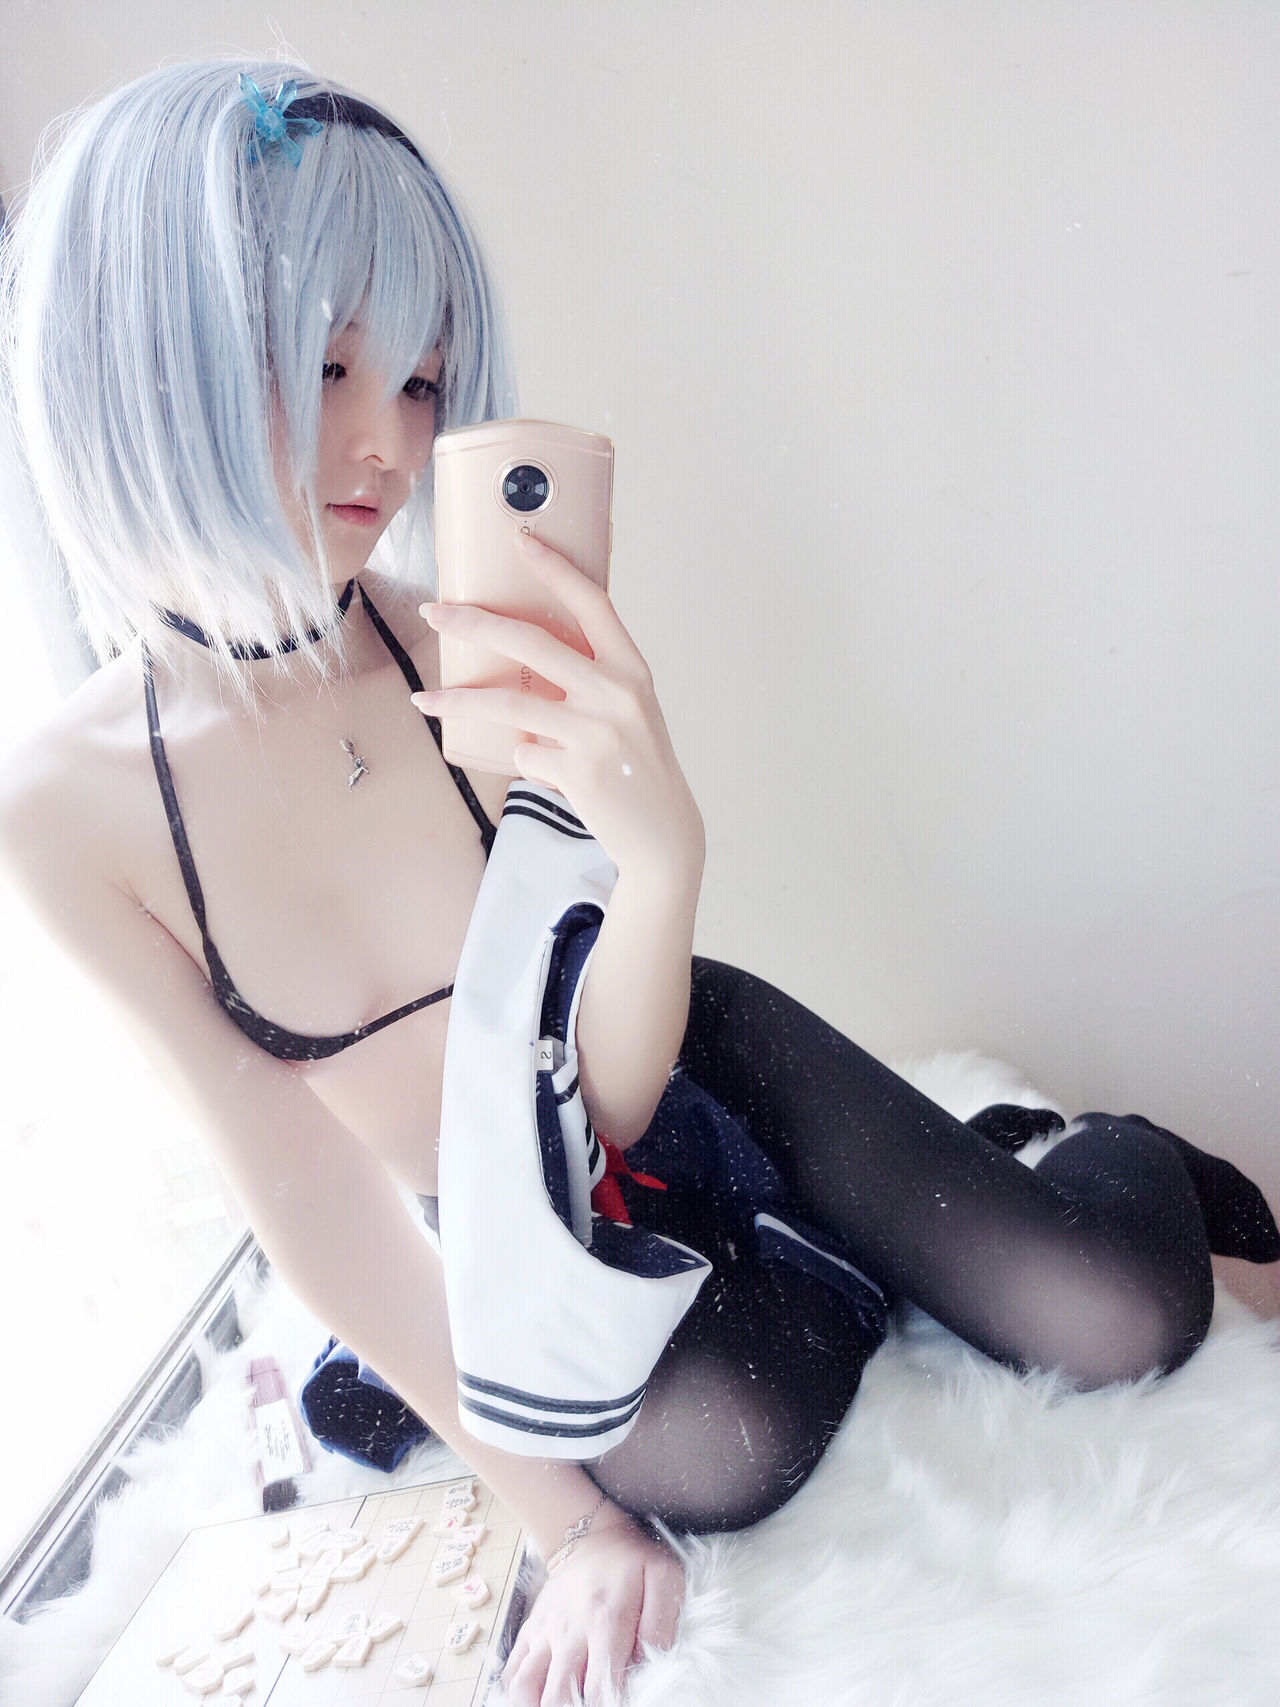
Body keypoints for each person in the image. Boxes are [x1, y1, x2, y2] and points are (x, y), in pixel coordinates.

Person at [0, 57, 1275, 1707]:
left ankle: (1064, 1160)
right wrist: (569, 1525)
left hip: (674, 1056)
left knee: (1116, 1315)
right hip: (510, 1223)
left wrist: (659, 851)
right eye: (326, 365)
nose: (390, 443)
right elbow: (307, 1199)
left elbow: (610, 1072)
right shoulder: (68, 814)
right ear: (138, 353)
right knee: (721, 1446)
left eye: (422, 380)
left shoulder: (458, 639)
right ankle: (892, 1238)